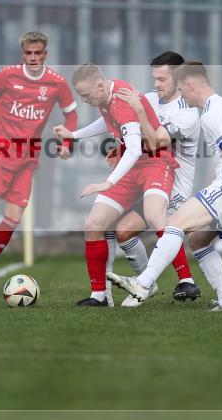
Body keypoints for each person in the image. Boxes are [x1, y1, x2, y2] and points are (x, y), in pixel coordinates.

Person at [109, 62, 222, 312]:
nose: (181, 95)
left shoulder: (211, 113)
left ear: (190, 84)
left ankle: (143, 283)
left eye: (181, 89)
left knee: (173, 224)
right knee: (199, 241)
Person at [0, 31, 77, 296]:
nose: (33, 57)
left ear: (45, 54)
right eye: (28, 53)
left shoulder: (56, 83)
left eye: (38, 53)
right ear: (22, 54)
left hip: (28, 158)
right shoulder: (8, 75)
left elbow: (71, 115)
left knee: (12, 218)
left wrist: (67, 143)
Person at [54, 64, 177, 307]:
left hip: (152, 163)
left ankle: (181, 279)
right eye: (81, 96)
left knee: (154, 218)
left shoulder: (120, 100)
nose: (84, 100)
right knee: (94, 225)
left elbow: (133, 150)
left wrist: (107, 183)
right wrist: (74, 135)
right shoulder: (108, 95)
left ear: (100, 86)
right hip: (132, 166)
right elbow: (107, 122)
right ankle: (99, 296)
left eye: (86, 95)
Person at [110, 51, 202, 306]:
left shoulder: (187, 112)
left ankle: (184, 280)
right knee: (123, 233)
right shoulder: (150, 99)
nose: (156, 84)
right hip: (150, 181)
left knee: (169, 227)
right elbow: (129, 129)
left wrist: (139, 109)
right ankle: (146, 283)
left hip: (175, 187)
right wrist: (119, 146)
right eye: (154, 78)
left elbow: (154, 141)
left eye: (162, 79)